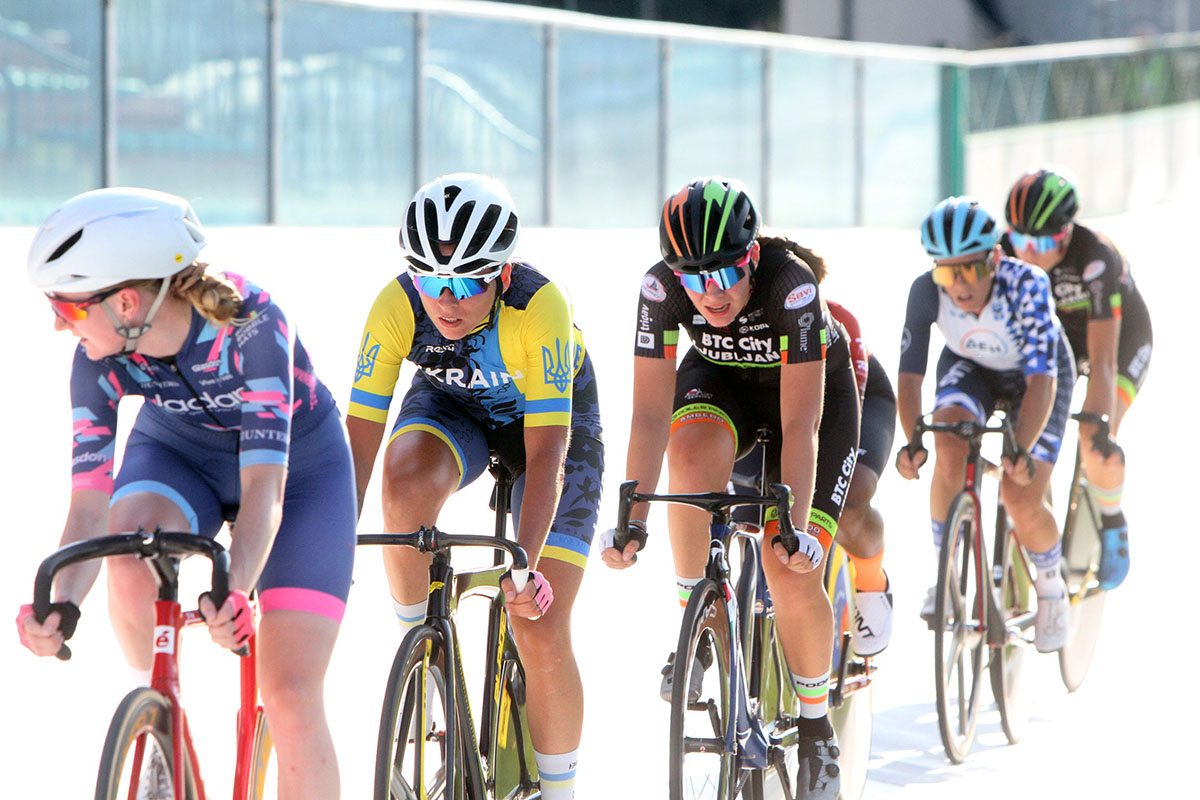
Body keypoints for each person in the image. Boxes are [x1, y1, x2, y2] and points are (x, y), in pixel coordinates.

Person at [15, 187, 355, 799]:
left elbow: (265, 490)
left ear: (125, 301)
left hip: (300, 472)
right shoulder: (96, 360)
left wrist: (238, 591)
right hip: (180, 454)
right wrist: (60, 603)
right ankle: (161, 730)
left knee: (290, 698)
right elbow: (90, 508)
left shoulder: (254, 326)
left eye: (65, 308)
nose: (57, 324)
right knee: (128, 551)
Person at [346, 173, 603, 800]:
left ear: (502, 276)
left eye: (466, 283)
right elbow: (358, 438)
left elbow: (546, 456)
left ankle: (560, 790)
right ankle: (427, 654)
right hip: (452, 405)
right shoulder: (395, 305)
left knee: (539, 623)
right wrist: (328, 538)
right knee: (401, 485)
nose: (446, 300)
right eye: (431, 281)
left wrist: (527, 565)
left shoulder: (540, 307)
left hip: (540, 428)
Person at [602, 175, 858, 798]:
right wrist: (630, 512)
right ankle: (703, 611)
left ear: (751, 258)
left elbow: (801, 426)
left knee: (787, 564)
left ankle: (817, 728)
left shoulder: (789, 285)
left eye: (721, 274)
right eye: (693, 277)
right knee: (688, 455)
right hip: (722, 384)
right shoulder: (661, 290)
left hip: (808, 403)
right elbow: (648, 418)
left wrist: (793, 531)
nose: (707, 293)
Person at [895, 196, 1076, 653]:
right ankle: (946, 572)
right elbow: (910, 374)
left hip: (1036, 378)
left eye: (969, 270)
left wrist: (1021, 450)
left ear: (994, 258)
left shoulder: (1027, 284)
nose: (957, 285)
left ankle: (1053, 588)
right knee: (948, 446)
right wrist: (913, 437)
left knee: (1020, 494)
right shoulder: (925, 290)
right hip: (971, 365)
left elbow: (1040, 381)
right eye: (945, 272)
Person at [1002, 166, 1152, 590]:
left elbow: (1103, 363)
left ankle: (1111, 520)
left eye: (1042, 242)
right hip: (1057, 343)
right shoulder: (1004, 251)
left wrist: (1099, 427)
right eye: (1020, 240)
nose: (1029, 253)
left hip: (1119, 343)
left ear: (1066, 233)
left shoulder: (1095, 258)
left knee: (1093, 439)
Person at [729, 299, 896, 658]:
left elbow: (841, 422)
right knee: (746, 504)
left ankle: (870, 582)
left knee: (850, 498)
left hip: (850, 403)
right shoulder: (733, 324)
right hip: (777, 408)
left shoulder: (837, 323)